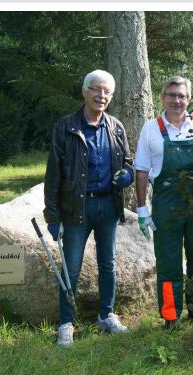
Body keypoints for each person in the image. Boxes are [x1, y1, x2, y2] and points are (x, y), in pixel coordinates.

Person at [42, 69, 134, 348]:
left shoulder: (116, 127)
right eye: (96, 89)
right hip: (75, 208)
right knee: (71, 267)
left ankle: (106, 316)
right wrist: (53, 214)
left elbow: (127, 161)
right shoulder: (65, 127)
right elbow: (54, 174)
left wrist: (127, 174)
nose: (101, 95)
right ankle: (66, 323)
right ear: (84, 92)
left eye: (107, 91)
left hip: (108, 204)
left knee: (108, 264)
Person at [134, 76, 193, 328]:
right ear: (163, 98)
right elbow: (141, 170)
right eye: (171, 95)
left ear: (189, 99)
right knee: (169, 263)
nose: (176, 100)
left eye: (182, 96)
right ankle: (171, 316)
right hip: (166, 206)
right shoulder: (151, 128)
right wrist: (142, 210)